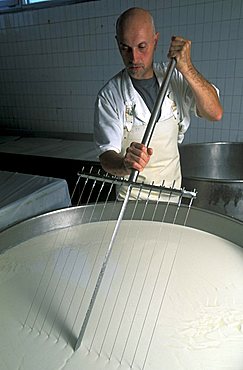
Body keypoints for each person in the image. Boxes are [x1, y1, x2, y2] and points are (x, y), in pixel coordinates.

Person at [94, 7, 223, 200]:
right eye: (125, 48)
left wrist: (187, 68)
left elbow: (215, 113)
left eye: (142, 46)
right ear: (117, 44)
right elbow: (106, 157)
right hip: (131, 202)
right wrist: (124, 165)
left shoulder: (174, 78)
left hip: (171, 199)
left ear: (155, 41)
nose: (134, 58)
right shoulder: (111, 95)